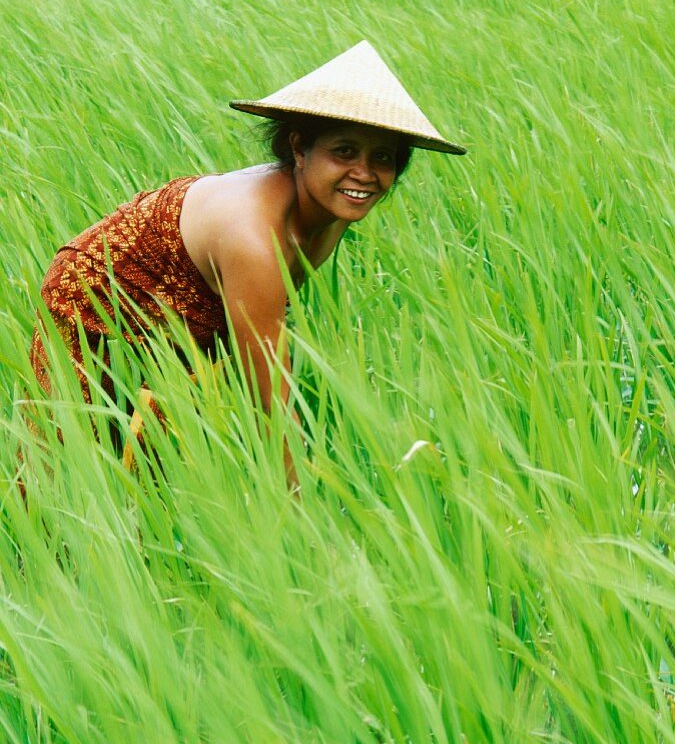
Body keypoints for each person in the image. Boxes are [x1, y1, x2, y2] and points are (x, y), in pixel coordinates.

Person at [28, 40, 465, 478]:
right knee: (68, 470)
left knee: (159, 467)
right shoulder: (253, 237)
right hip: (96, 302)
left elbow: (260, 342)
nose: (364, 174)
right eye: (344, 151)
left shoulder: (333, 208)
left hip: (187, 321)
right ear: (299, 148)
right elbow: (271, 402)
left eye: (383, 158)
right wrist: (298, 505)